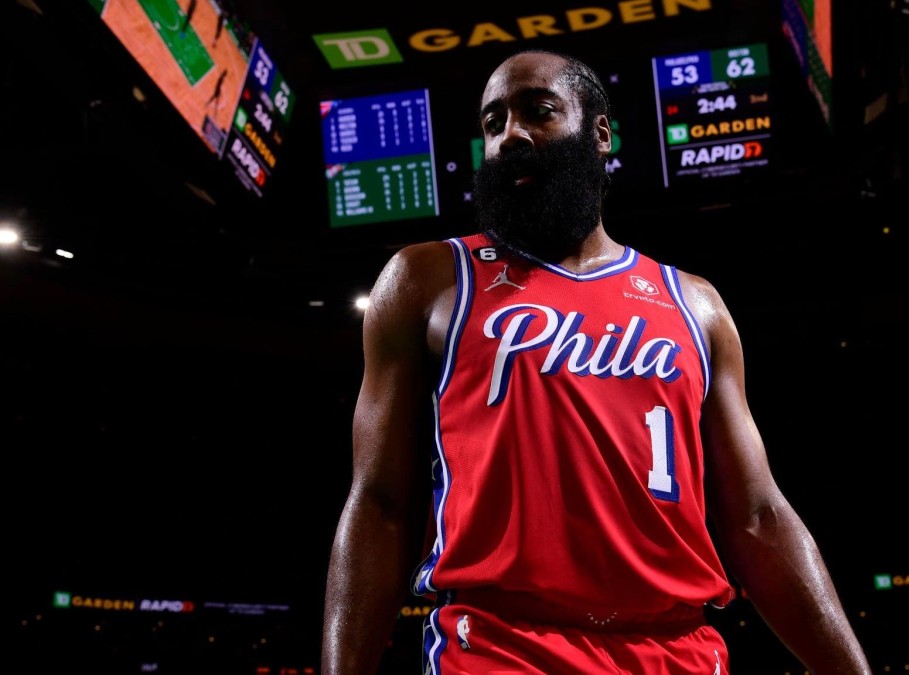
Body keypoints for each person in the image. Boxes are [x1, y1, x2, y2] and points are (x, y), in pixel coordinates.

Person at [321, 48, 873, 675]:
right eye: (493, 123)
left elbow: (758, 517)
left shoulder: (695, 304)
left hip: (676, 648)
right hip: (502, 646)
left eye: (538, 111)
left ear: (600, 132)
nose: (511, 136)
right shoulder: (429, 278)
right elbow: (379, 504)